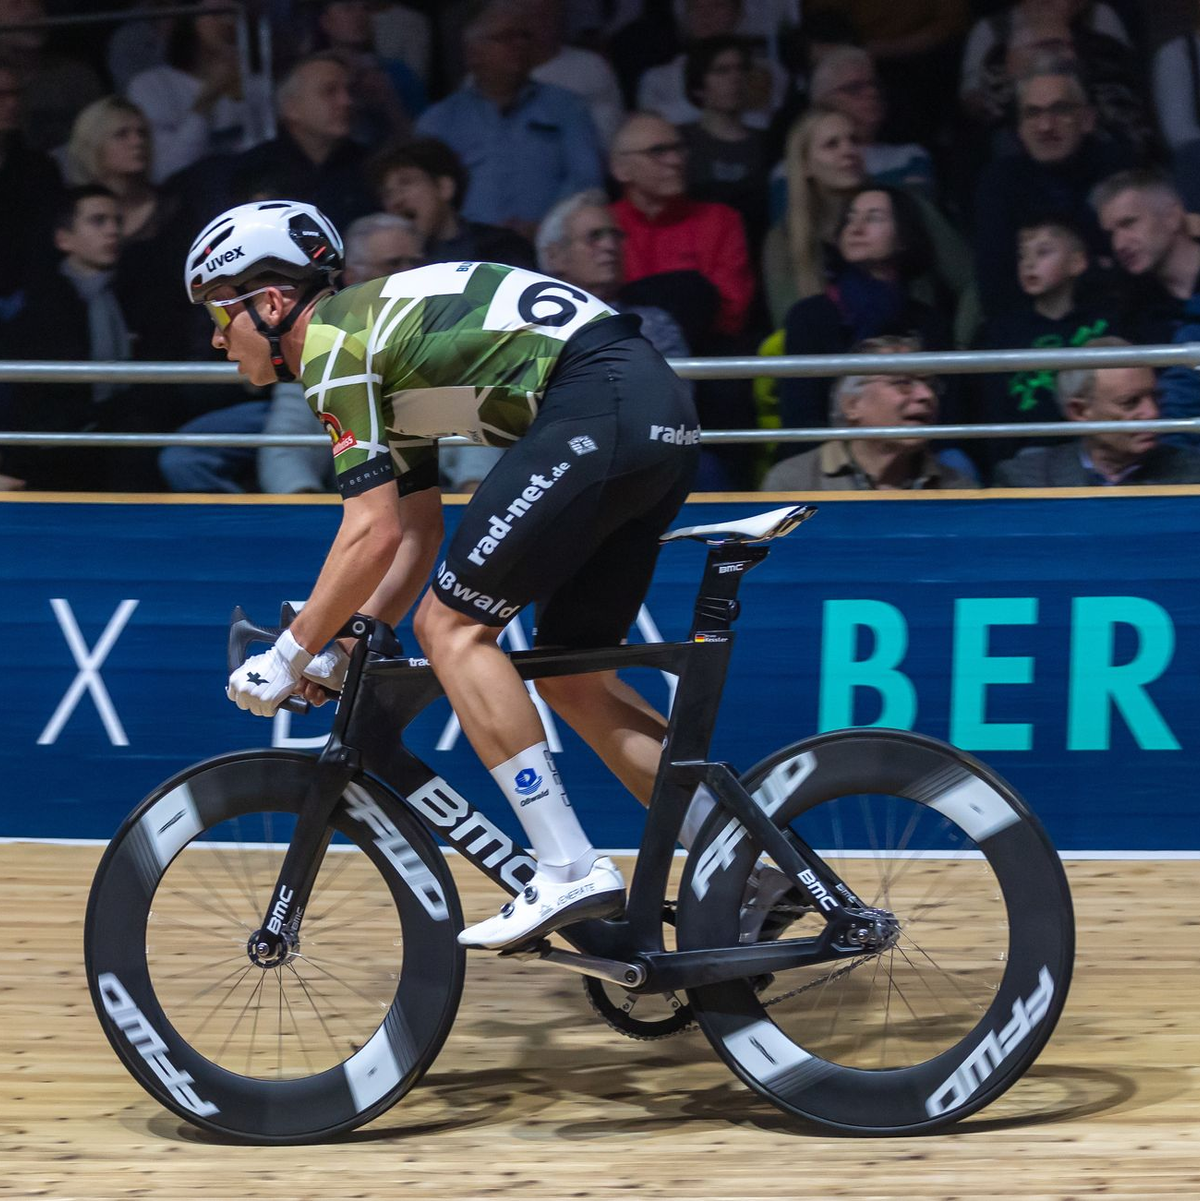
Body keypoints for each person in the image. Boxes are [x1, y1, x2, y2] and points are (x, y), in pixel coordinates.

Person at [192, 199, 699, 948]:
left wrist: (290, 652)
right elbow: (415, 529)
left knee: (452, 626)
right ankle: (744, 861)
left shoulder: (331, 347)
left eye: (217, 313)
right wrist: (359, 634)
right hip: (651, 412)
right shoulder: (376, 340)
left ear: (269, 303)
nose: (214, 338)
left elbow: (368, 532)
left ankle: (567, 866)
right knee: (570, 674)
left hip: (599, 404)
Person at [413, 1, 604, 238]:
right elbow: (425, 197)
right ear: (472, 54)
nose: (518, 45)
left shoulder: (567, 107)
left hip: (553, 248)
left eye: (524, 36)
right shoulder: (439, 121)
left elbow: (586, 180)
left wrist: (546, 228)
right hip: (468, 255)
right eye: (505, 37)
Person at [777, 185, 949, 436]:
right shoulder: (809, 316)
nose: (856, 229)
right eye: (850, 219)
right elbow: (800, 419)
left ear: (903, 237)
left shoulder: (928, 323)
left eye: (874, 218)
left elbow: (944, 416)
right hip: (829, 456)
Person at [972, 63, 1134, 316]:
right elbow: (997, 285)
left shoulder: (1120, 168)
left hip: (1119, 324)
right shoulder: (999, 182)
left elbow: (1133, 274)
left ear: (1088, 119)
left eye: (1060, 110)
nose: (1046, 126)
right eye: (1033, 113)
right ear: (1019, 130)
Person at [975, 217, 1115, 472]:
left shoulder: (1103, 322)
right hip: (1030, 452)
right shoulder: (1004, 332)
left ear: (1077, 262)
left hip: (1095, 446)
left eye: (1043, 252)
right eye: (1022, 255)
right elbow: (995, 406)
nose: (1029, 263)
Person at [760, 335, 977, 492]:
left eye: (930, 384)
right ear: (852, 405)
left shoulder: (957, 487)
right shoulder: (794, 482)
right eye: (903, 383)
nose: (926, 395)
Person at [610, 110, 754, 338]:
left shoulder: (721, 221)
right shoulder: (603, 225)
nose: (676, 161)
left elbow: (732, 314)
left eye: (679, 149)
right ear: (621, 169)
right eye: (658, 151)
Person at [993, 337, 1200, 486]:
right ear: (1080, 412)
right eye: (1130, 402)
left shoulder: (1193, 476)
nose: (1152, 412)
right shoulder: (1025, 481)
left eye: (1155, 397)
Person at [126, 0, 272, 184]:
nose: (228, 23)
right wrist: (207, 99)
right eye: (217, 14)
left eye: (233, 14)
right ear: (190, 19)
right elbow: (167, 171)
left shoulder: (258, 83)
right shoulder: (150, 85)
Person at [231, 53, 375, 231]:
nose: (347, 101)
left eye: (350, 91)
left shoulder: (371, 167)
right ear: (291, 107)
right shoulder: (252, 171)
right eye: (329, 91)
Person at [369, 138, 536, 269]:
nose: (395, 201)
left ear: (444, 188)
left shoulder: (501, 249)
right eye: (387, 193)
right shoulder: (390, 265)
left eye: (406, 182)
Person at [678, 36, 769, 249]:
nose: (735, 78)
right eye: (721, 71)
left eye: (741, 69)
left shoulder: (768, 142)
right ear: (699, 85)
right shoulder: (680, 142)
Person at [809, 45, 935, 196]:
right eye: (855, 88)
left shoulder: (909, 158)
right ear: (823, 102)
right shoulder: (796, 168)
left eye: (874, 85)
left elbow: (913, 216)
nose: (872, 93)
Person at [1093, 169, 1200, 342]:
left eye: (1129, 223)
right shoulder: (1129, 309)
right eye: (1110, 234)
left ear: (1171, 217)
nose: (1118, 244)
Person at [312, 0, 426, 147]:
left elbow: (420, 140)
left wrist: (388, 100)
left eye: (366, 8)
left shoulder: (397, 72)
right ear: (326, 21)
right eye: (348, 8)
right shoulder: (310, 75)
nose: (360, 15)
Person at [0, 0, 103, 153]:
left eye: (37, 4)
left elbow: (100, 139)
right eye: (17, 5)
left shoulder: (76, 77)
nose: (32, 12)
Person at [520, 0, 625, 149]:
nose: (543, 21)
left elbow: (612, 134)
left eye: (548, 13)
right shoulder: (505, 71)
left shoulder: (591, 66)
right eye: (535, 14)